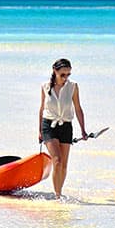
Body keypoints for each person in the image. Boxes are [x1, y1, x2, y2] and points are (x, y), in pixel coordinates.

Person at [38, 58, 88, 199]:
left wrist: (83, 130)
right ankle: (57, 196)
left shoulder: (73, 87)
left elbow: (78, 108)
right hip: (49, 126)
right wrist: (39, 131)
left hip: (66, 126)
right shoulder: (45, 86)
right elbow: (42, 109)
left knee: (64, 166)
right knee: (57, 160)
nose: (66, 78)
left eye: (68, 75)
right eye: (63, 75)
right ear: (55, 71)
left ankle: (59, 192)